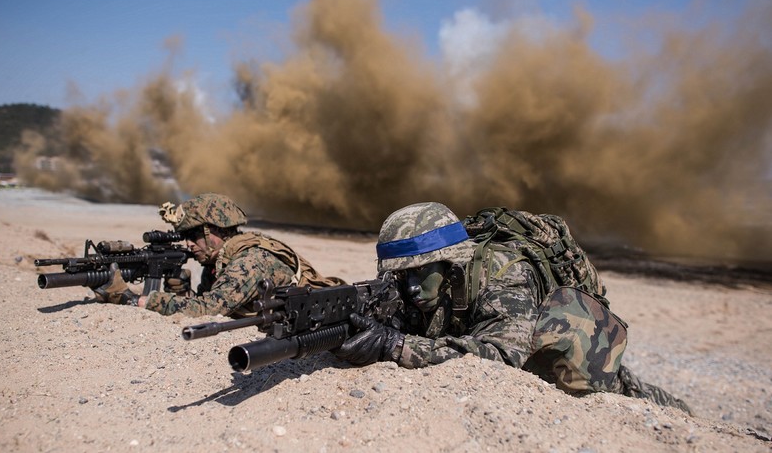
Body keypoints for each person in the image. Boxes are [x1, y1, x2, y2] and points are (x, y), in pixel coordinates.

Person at [334, 202, 692, 414]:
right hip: (477, 327)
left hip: (568, 349)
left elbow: (502, 356)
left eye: (420, 271)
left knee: (616, 389)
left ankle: (677, 409)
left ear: (450, 263)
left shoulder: (505, 274)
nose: (410, 286)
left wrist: (395, 346)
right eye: (401, 275)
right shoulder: (414, 284)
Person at [91, 193, 344, 317]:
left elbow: (210, 309)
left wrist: (133, 299)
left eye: (193, 235)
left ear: (213, 230)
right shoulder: (220, 260)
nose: (188, 244)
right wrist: (181, 292)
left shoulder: (249, 262)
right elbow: (208, 299)